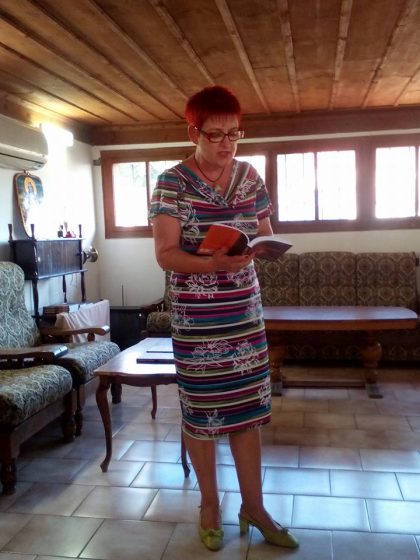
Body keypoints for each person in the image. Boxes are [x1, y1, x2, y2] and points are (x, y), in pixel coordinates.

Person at [149, 85, 298, 552]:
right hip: (197, 321)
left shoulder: (250, 176)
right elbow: (165, 254)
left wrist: (259, 248)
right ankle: (210, 505)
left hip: (244, 314)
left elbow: (264, 230)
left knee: (247, 415)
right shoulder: (171, 182)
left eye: (234, 133)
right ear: (193, 132)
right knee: (201, 415)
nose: (227, 143)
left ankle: (254, 507)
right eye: (215, 134)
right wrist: (211, 263)